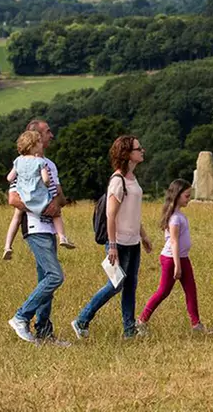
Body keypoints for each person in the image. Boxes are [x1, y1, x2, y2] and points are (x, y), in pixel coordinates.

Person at [72, 135, 152, 340]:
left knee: (130, 286)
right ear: (127, 154)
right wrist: (113, 245)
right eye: (137, 148)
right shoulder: (117, 181)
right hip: (119, 243)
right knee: (116, 284)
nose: (141, 151)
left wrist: (143, 236)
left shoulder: (133, 179)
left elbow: (133, 212)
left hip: (133, 241)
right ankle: (82, 320)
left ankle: (129, 330)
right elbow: (111, 215)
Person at [7, 119, 69, 346]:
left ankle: (44, 333)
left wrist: (56, 203)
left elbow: (60, 197)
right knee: (55, 276)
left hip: (49, 227)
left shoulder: (49, 164)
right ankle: (21, 316)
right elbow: (13, 198)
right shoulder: (24, 164)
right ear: (36, 136)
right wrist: (41, 207)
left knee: (46, 280)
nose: (51, 135)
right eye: (47, 132)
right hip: (34, 227)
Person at [137, 179, 213, 334]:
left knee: (191, 290)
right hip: (172, 259)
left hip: (182, 258)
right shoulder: (175, 218)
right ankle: (141, 321)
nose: (189, 198)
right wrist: (177, 265)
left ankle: (196, 324)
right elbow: (174, 242)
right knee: (163, 291)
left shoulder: (179, 215)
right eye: (186, 196)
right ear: (177, 196)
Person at [4, 131, 75, 259]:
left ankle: (8, 245)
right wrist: (48, 186)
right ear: (33, 146)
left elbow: (9, 178)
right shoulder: (40, 162)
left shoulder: (18, 161)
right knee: (56, 214)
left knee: (16, 218)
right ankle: (62, 237)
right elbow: (47, 180)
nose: (42, 144)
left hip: (24, 198)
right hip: (39, 201)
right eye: (39, 142)